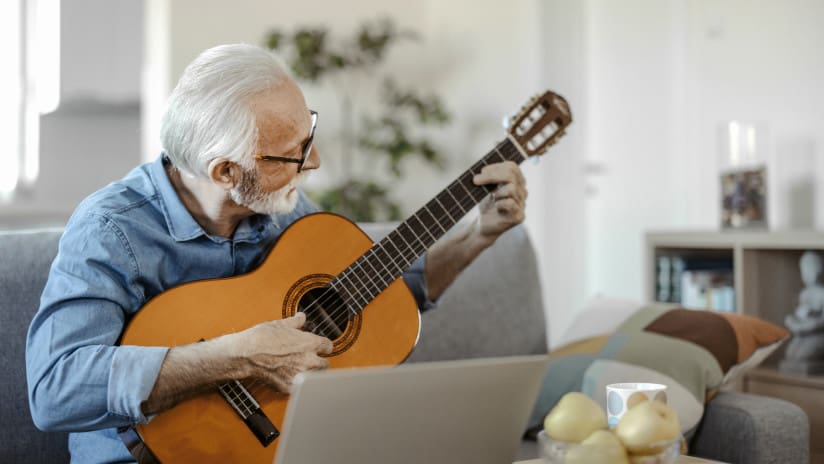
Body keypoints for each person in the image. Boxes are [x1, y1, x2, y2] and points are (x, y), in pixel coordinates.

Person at [25, 43, 527, 462]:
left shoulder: (282, 207)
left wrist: (477, 235)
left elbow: (382, 296)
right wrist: (235, 357)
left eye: (311, 135)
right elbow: (54, 391)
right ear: (225, 171)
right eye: (295, 153)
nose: (316, 161)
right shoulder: (110, 229)